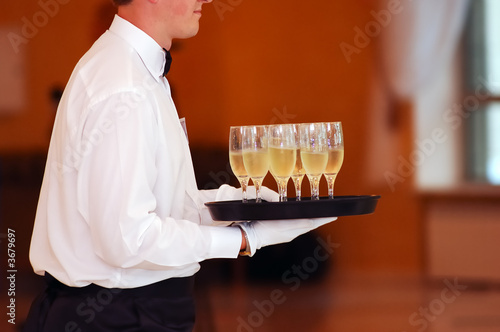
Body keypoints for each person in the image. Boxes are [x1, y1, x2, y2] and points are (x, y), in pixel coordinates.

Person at [23, 0, 336, 331]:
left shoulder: (138, 73)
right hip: (114, 318)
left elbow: (154, 208)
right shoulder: (124, 87)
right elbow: (129, 239)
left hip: (130, 311)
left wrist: (231, 207)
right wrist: (243, 240)